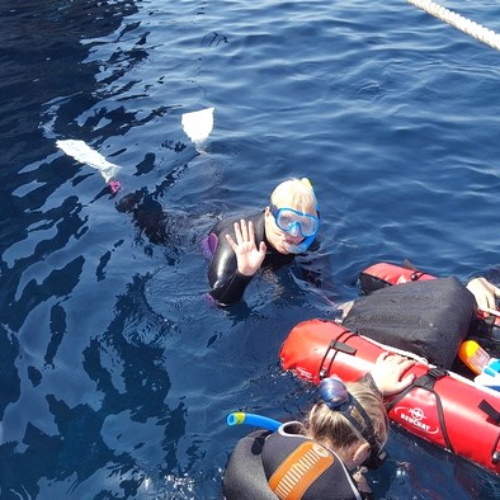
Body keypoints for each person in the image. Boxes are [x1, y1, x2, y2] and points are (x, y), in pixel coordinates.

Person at [223, 353, 415, 500]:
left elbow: (338, 412)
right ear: (361, 452)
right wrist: (362, 487)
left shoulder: (265, 440)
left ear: (315, 418)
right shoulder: (348, 493)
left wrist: (371, 385)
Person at [206, 177, 321, 306]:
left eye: (306, 225)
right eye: (285, 220)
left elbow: (325, 290)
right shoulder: (234, 241)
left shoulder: (306, 238)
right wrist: (243, 274)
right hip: (193, 233)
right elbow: (216, 301)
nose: (294, 233)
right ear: (268, 214)